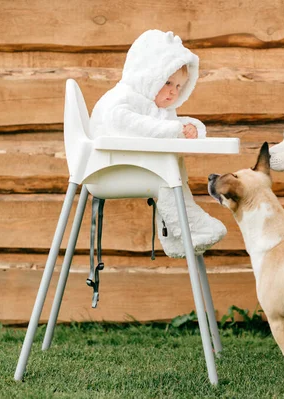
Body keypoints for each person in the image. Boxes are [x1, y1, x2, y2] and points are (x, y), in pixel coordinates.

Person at [89, 29, 226, 258]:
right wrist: (174, 130)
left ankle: (175, 236)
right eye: (168, 82)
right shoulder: (122, 98)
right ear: (147, 74)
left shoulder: (152, 107)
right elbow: (126, 123)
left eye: (179, 87)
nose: (173, 93)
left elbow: (167, 125)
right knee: (168, 177)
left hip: (130, 166)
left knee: (173, 172)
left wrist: (191, 129)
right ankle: (189, 226)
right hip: (107, 170)